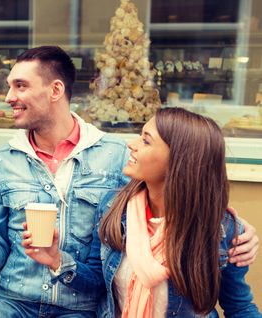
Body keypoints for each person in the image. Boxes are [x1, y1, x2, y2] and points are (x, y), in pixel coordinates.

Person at [0, 46, 259, 317]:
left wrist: (231, 225)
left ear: (55, 91)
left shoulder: (115, 155)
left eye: (20, 86)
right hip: (14, 300)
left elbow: (185, 191)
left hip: (79, 306)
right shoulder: (4, 160)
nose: (8, 97)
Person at [23, 107, 261, 317]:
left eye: (146, 141)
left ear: (179, 160)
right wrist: (56, 259)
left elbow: (238, 307)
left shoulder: (222, 230)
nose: (131, 144)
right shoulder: (114, 208)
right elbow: (98, 284)